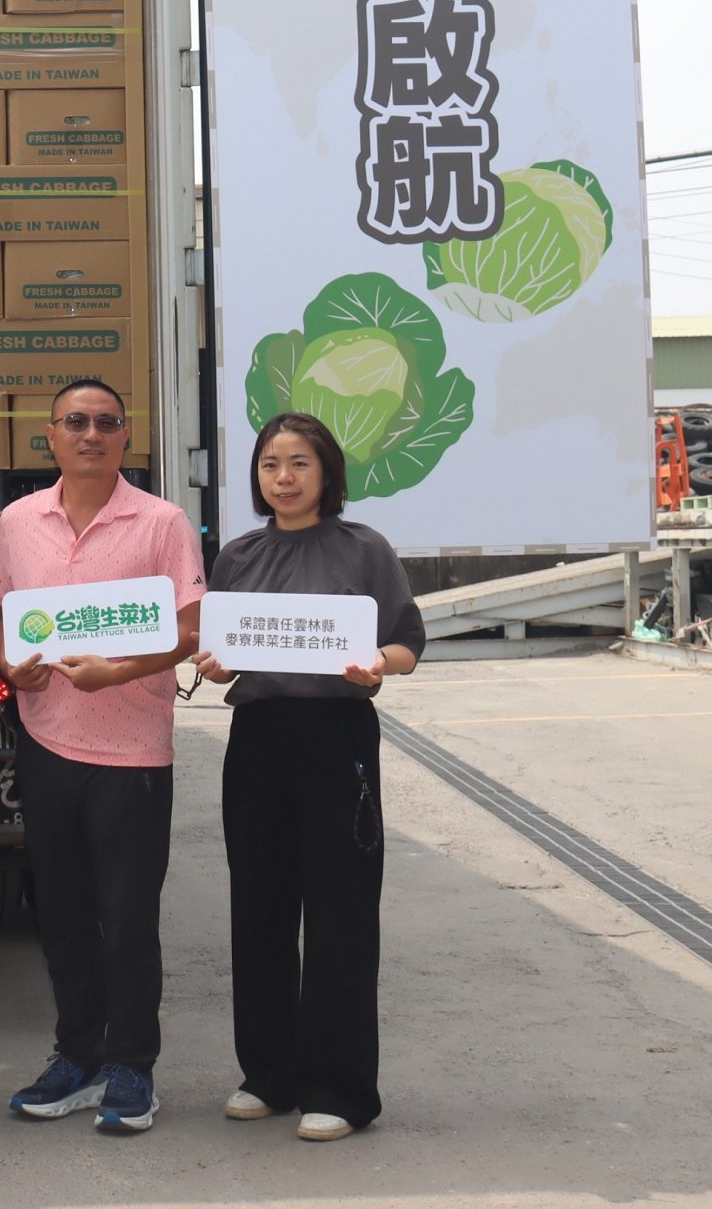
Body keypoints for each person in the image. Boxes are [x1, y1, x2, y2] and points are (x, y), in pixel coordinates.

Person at [194, 410, 425, 1142]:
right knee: (258, 907)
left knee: (340, 912)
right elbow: (223, 648)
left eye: (299, 463)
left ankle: (340, 1088)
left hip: (336, 736)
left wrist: (378, 662)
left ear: (327, 472)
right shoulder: (238, 557)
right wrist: (215, 664)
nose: (284, 477)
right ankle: (269, 1074)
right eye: (271, 464)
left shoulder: (364, 548)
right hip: (258, 739)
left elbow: (405, 642)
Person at [0, 379, 204, 1134]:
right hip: (46, 743)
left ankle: (132, 1066)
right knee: (62, 915)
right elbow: (8, 616)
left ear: (126, 436)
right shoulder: (18, 520)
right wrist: (12, 669)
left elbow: (189, 629)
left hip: (133, 754)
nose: (91, 434)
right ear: (49, 435)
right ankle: (77, 1056)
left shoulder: (162, 521)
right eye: (76, 422)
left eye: (107, 423)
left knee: (128, 918)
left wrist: (116, 671)